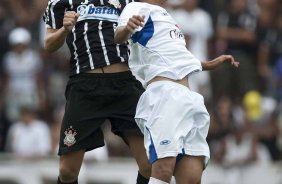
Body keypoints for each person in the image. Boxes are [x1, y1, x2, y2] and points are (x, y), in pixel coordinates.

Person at [114, 1, 239, 184]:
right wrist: (127, 29)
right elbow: (118, 36)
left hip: (190, 97)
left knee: (191, 178)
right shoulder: (136, 7)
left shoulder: (168, 16)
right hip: (164, 95)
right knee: (163, 170)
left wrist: (212, 64)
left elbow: (178, 58)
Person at [43, 0, 151, 184]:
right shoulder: (60, 3)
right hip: (85, 86)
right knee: (67, 171)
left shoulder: (129, 2)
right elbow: (49, 44)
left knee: (150, 164)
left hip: (124, 84)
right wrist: (64, 29)